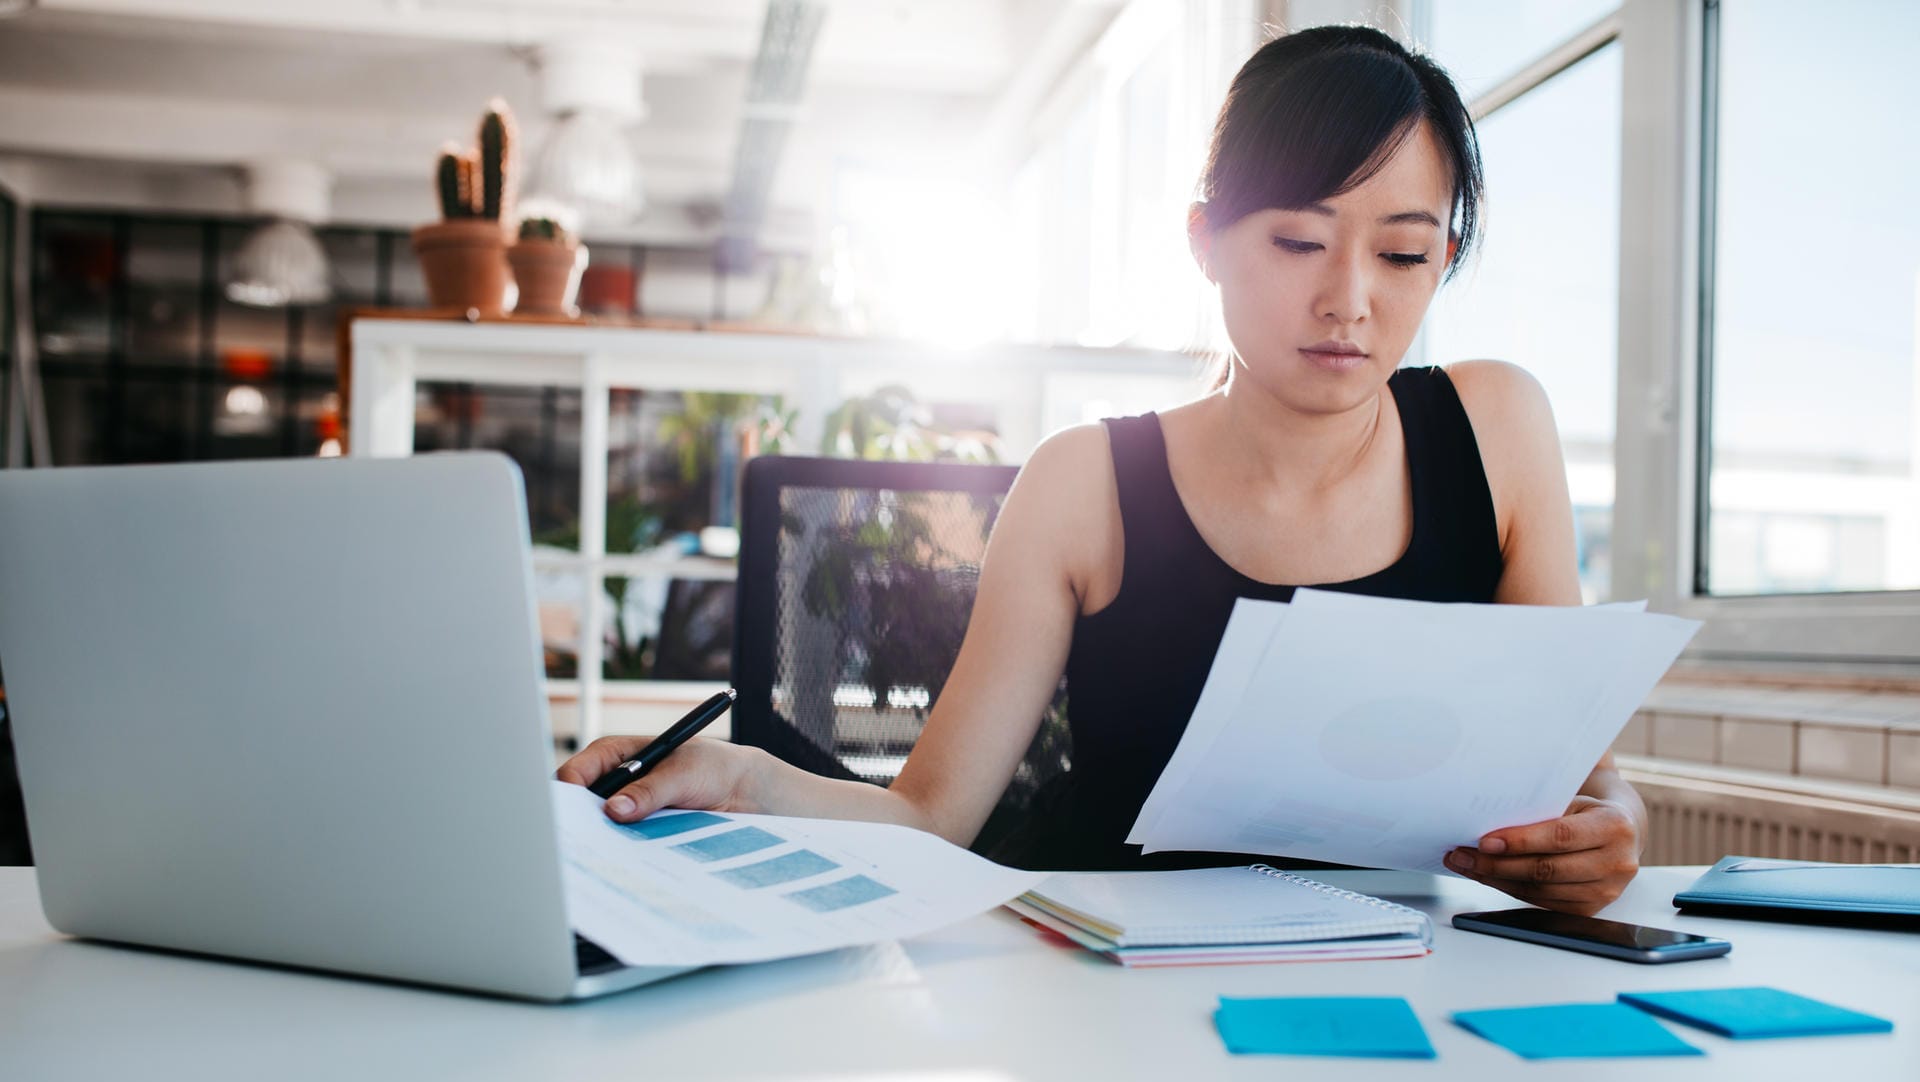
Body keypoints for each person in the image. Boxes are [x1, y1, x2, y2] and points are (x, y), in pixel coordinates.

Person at [559, 24, 1645, 917]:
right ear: (1205, 240)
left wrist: (1615, 826)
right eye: (1299, 242)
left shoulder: (1496, 427)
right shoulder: (1085, 483)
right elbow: (934, 813)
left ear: (1443, 258)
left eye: (1403, 253)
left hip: (1416, 982)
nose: (1351, 299)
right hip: (1119, 982)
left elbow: (1570, 773)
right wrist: (745, 777)